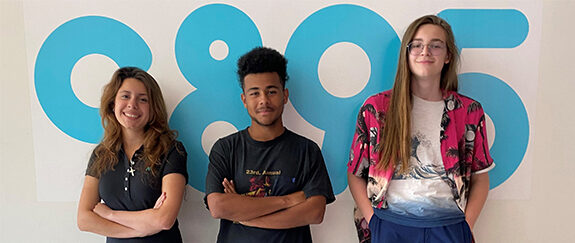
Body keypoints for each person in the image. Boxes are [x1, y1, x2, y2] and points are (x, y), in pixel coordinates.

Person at [347, 15, 494, 243]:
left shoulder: (468, 111)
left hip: (449, 226)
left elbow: (480, 177)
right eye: (416, 45)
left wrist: (467, 224)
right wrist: (373, 221)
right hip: (390, 225)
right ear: (406, 54)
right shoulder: (376, 109)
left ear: (447, 56)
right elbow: (356, 173)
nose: (425, 51)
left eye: (435, 45)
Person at [205, 47, 335, 243]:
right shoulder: (225, 149)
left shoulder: (307, 150)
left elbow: (314, 212)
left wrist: (243, 215)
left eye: (271, 91)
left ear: (285, 95)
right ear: (244, 100)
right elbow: (219, 207)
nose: (263, 100)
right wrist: (288, 200)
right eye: (255, 93)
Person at [77, 67, 188, 242]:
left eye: (143, 99)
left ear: (153, 109)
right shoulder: (101, 155)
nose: (132, 105)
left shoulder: (171, 150)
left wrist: (110, 214)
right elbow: (84, 219)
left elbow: (164, 219)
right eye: (125, 96)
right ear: (112, 103)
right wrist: (142, 229)